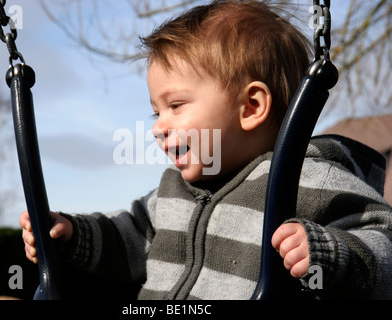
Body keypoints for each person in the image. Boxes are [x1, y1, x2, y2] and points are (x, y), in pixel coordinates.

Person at [20, 0, 392, 299]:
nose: (156, 128)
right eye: (155, 111)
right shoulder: (174, 192)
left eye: (175, 106)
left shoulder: (311, 179)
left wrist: (331, 253)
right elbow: (130, 238)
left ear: (251, 108)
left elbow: (384, 246)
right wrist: (71, 233)